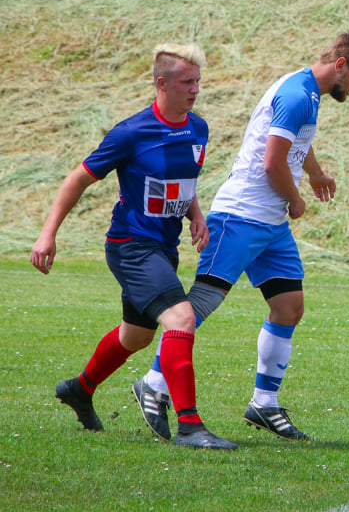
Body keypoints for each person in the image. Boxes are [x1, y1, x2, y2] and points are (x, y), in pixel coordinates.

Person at [132, 32, 349, 442]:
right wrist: (296, 199)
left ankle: (263, 403)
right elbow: (272, 164)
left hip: (269, 225)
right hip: (242, 216)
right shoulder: (299, 93)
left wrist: (315, 173)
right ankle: (153, 383)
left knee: (289, 306)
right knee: (196, 308)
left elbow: (296, 142)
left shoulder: (307, 92)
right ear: (340, 65)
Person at [30, 43, 237, 450]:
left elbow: (182, 180)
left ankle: (80, 388)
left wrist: (195, 213)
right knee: (181, 318)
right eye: (186, 82)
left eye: (198, 81)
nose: (195, 89)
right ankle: (191, 427)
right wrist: (47, 234)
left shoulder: (199, 128)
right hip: (130, 246)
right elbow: (78, 179)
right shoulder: (131, 133)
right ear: (161, 84)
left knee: (136, 336)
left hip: (163, 246)